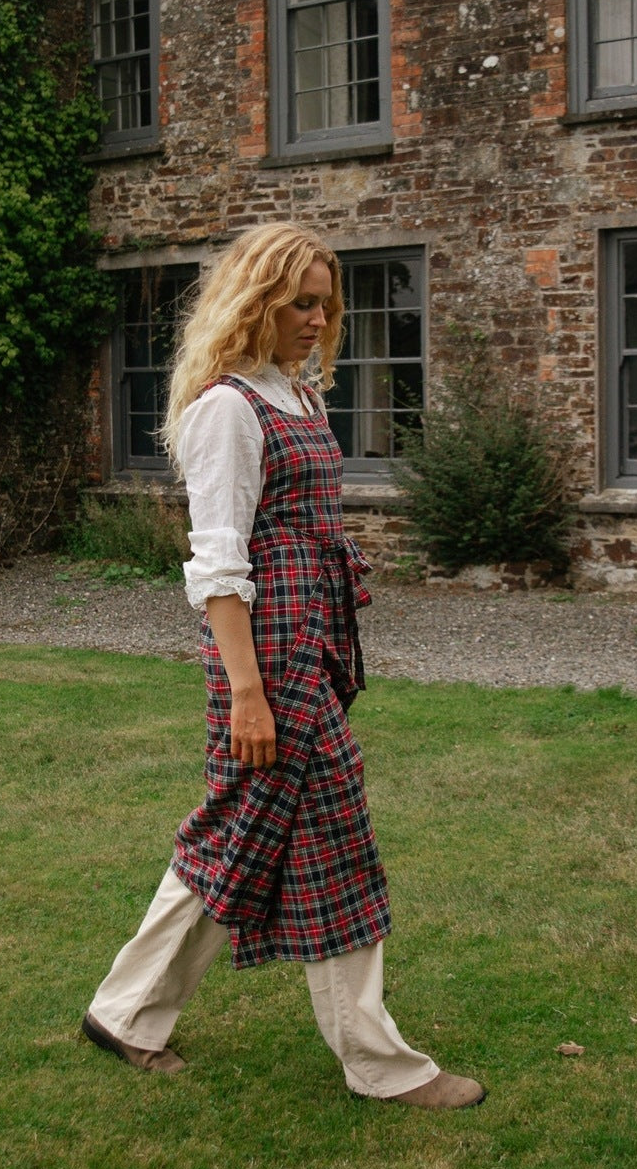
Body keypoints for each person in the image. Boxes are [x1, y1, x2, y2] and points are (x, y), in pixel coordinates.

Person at [82, 222, 485, 1110]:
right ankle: (379, 1065)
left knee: (238, 832)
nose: (318, 318)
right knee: (330, 835)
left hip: (311, 649)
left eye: (325, 303)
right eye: (301, 301)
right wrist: (247, 695)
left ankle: (125, 1011)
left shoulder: (294, 397)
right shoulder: (230, 409)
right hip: (267, 660)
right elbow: (216, 562)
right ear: (256, 301)